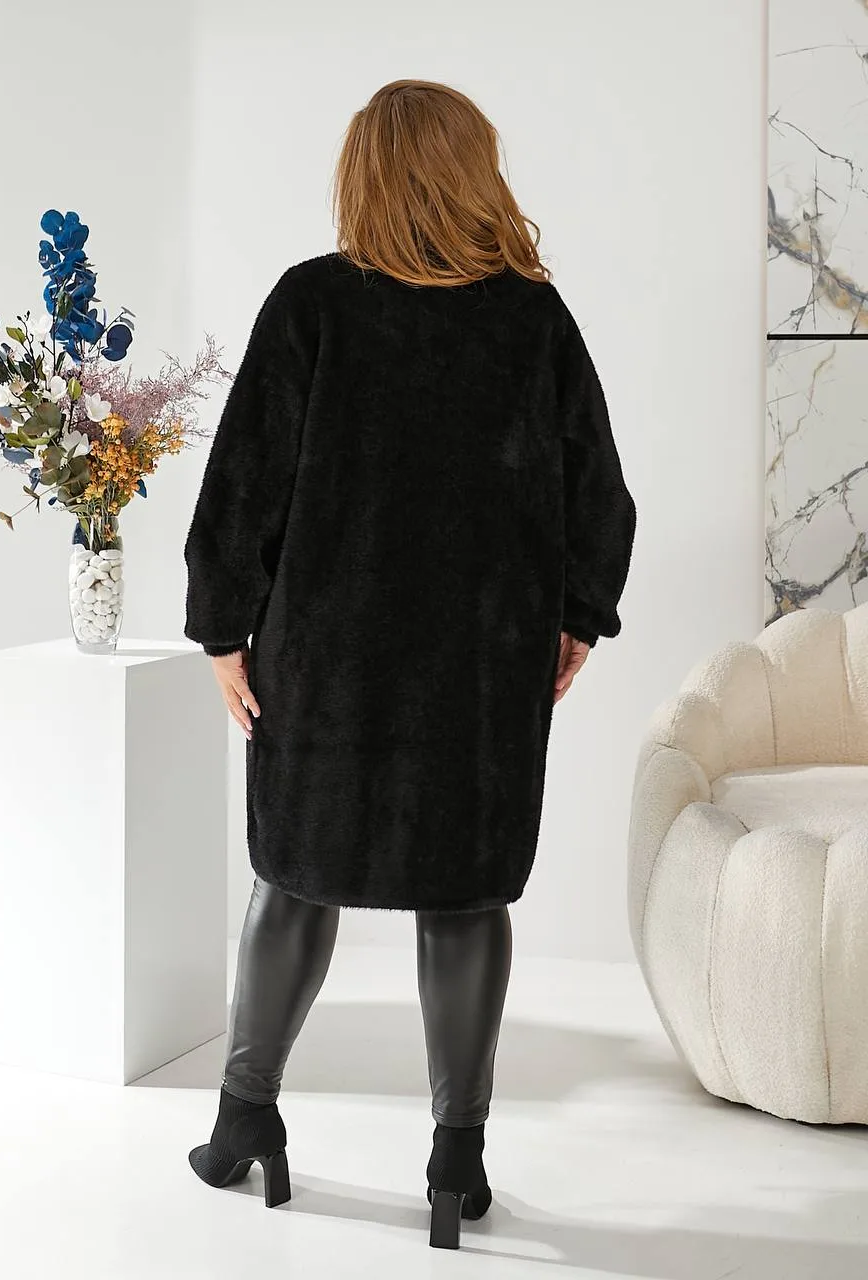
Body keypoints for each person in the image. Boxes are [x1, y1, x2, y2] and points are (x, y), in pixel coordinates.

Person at [182, 78, 636, 1250]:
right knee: (466, 889)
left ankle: (245, 1117)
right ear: (474, 169)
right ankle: (456, 1157)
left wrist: (224, 629)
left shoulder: (312, 303)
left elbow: (242, 482)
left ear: (364, 174)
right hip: (481, 669)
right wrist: (578, 615)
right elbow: (597, 487)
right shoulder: (532, 318)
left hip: (324, 662)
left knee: (293, 875)